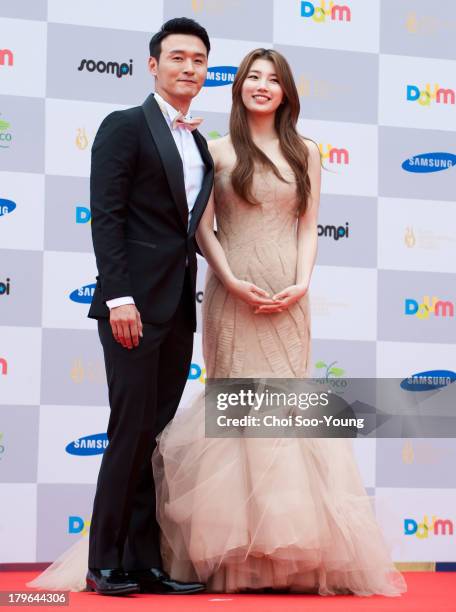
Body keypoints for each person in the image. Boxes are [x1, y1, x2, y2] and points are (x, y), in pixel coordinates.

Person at [151, 48, 408, 596]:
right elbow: (203, 230)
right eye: (252, 77)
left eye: (273, 79)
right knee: (236, 412)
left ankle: (284, 558)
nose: (262, 86)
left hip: (290, 299)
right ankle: (234, 560)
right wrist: (229, 279)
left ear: (287, 91)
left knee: (284, 412)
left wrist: (302, 283)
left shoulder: (306, 152)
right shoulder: (213, 150)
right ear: (239, 87)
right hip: (231, 294)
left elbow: (309, 226)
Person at [28, 17, 214, 596]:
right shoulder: (125, 126)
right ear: (153, 65)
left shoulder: (199, 141)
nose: (189, 67)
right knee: (128, 430)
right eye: (178, 57)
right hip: (131, 306)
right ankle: (103, 561)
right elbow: (105, 217)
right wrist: (119, 298)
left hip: (178, 306)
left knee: (153, 436)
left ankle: (145, 563)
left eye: (199, 60)